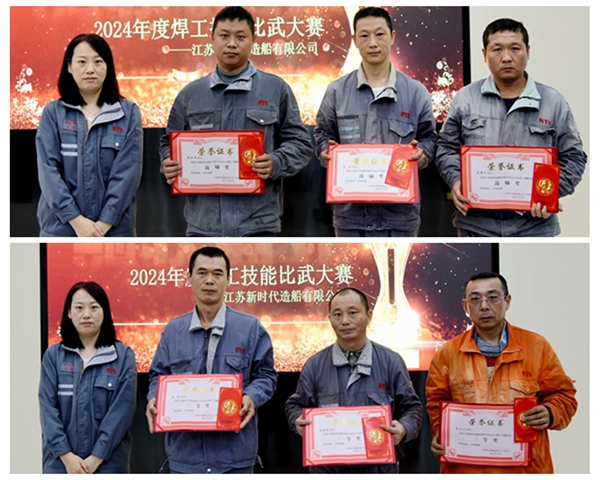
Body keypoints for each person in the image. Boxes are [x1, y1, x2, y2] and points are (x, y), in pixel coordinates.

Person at [160, 6, 313, 237]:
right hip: (203, 224)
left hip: (258, 223)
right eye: (224, 36)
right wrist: (168, 162)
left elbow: (301, 144)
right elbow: (167, 143)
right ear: (212, 39)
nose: (231, 43)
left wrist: (275, 162)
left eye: (240, 37)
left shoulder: (276, 89)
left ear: (253, 41)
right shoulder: (190, 94)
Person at [435, 18, 587, 237]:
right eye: (497, 49)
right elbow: (446, 147)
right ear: (484, 54)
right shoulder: (466, 98)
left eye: (515, 48)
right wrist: (455, 180)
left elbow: (574, 157)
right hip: (476, 225)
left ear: (528, 51)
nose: (506, 57)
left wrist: (551, 193)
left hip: (534, 226)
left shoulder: (553, 101)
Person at [425, 271, 577, 473]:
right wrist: (441, 433)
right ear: (465, 306)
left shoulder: (537, 347)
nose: (484, 306)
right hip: (466, 469)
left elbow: (564, 396)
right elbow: (436, 404)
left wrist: (550, 412)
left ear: (508, 301)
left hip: (526, 470)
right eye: (475, 299)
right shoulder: (447, 354)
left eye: (493, 297)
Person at [145, 246, 277, 473]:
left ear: (228, 279)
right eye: (202, 273)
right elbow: (158, 375)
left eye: (217, 274)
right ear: (189, 278)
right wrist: (154, 397)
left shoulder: (250, 328)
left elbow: (266, 375)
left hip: (235, 457)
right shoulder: (173, 331)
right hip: (186, 457)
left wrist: (251, 397)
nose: (209, 280)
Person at [314, 6, 436, 237]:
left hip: (400, 217)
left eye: (379, 34)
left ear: (392, 37)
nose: (372, 43)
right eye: (364, 36)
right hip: (350, 216)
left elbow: (429, 137)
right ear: (354, 41)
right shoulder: (337, 91)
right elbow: (322, 134)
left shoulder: (415, 92)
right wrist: (325, 151)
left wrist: (423, 153)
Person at [285, 288, 422, 473]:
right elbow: (294, 405)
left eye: (352, 313)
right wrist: (297, 420)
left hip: (379, 469)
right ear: (330, 319)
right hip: (328, 470)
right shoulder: (314, 365)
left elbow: (412, 408)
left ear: (368, 316)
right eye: (337, 314)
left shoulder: (391, 362)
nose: (345, 321)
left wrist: (404, 428)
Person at [36, 34, 143, 237]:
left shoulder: (128, 113)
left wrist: (104, 224)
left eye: (98, 61)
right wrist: (76, 220)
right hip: (62, 228)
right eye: (82, 62)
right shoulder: (53, 113)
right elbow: (48, 171)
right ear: (69, 66)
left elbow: (128, 173)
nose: (90, 69)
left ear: (108, 66)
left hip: (114, 230)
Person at [38, 281, 137, 473]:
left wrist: (96, 458)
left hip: (108, 465)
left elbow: (122, 412)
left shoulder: (123, 356)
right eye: (79, 308)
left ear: (105, 312)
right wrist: (67, 457)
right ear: (69, 312)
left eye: (94, 307)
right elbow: (47, 410)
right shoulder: (53, 356)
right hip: (61, 465)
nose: (86, 315)